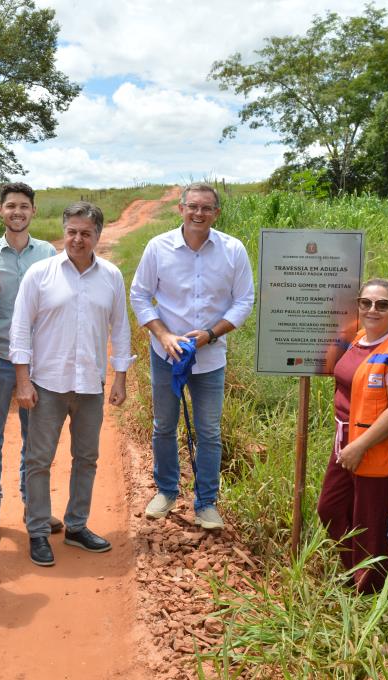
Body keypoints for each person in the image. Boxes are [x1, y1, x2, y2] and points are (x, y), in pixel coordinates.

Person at [9, 202, 134, 566]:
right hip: (47, 383)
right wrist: (22, 381)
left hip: (91, 385)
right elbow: (20, 328)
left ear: (98, 236)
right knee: (38, 459)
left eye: (86, 233)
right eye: (72, 232)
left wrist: (120, 378)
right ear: (64, 232)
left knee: (87, 458)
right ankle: (38, 531)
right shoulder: (40, 273)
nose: (78, 239)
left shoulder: (110, 276)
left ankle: (77, 526)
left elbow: (121, 329)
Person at [130, 182, 255, 530]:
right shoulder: (158, 248)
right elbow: (139, 295)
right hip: (165, 355)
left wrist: (212, 334)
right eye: (193, 206)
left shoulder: (233, 250)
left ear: (216, 213)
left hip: (211, 356)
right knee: (164, 425)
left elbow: (244, 299)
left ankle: (206, 503)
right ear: (181, 209)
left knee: (209, 431)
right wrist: (164, 334)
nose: (199, 213)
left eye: (206, 208)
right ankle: (167, 491)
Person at [316, 278, 388, 594]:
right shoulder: (360, 339)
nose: (373, 309)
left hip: (375, 450)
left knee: (371, 525)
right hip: (344, 443)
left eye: (382, 304)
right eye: (366, 303)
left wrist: (359, 446)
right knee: (330, 508)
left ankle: (370, 592)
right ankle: (355, 573)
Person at [0, 182, 58, 542]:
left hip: (39, 363)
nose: (17, 212)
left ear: (33, 212)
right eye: (11, 206)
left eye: (24, 206)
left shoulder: (49, 253)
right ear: (0, 211)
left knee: (33, 439)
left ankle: (32, 506)